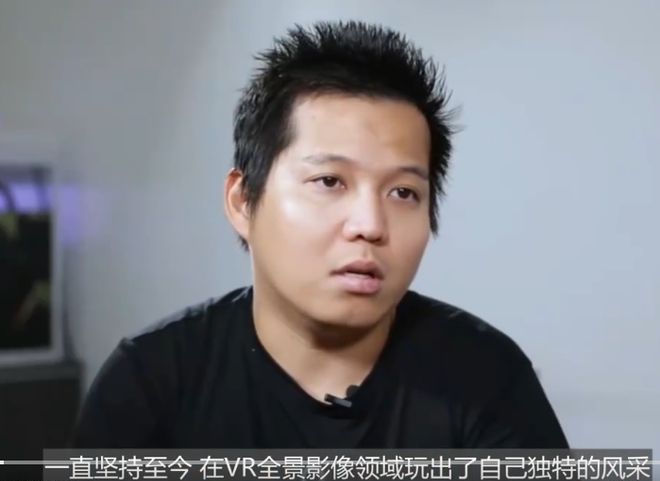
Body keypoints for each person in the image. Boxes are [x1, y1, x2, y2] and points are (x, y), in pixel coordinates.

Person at [74, 20, 572, 456]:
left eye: (403, 192)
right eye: (330, 181)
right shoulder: (152, 382)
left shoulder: (484, 376)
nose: (370, 224)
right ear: (243, 201)